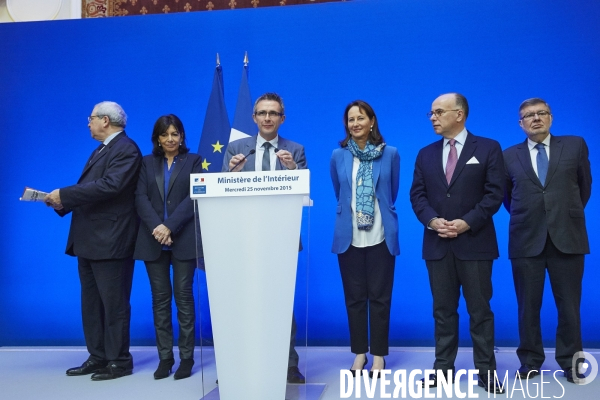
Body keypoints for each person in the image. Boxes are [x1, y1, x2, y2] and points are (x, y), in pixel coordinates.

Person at [409, 93, 505, 393]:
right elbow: (417, 195)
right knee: (442, 311)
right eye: (431, 113)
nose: (433, 117)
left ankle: (487, 372)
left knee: (480, 310)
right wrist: (432, 220)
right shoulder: (425, 153)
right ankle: (443, 370)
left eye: (438, 112)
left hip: (475, 243)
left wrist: (467, 222)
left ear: (459, 114)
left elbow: (494, 193)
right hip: (437, 244)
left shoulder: (488, 148)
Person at [44, 101, 142, 380]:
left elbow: (111, 186)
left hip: (111, 241)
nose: (88, 123)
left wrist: (65, 194)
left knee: (114, 305)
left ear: (105, 121)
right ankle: (98, 356)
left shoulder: (126, 149)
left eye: (91, 118)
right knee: (91, 304)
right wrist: (61, 201)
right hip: (91, 240)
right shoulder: (103, 149)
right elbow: (93, 191)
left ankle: (119, 361)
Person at [503, 98, 592, 383]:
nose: (536, 118)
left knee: (569, 306)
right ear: (521, 124)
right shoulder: (508, 156)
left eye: (541, 113)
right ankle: (530, 361)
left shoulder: (575, 145)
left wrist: (562, 215)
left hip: (567, 237)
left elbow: (584, 188)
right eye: (528, 116)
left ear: (551, 118)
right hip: (526, 238)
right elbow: (507, 197)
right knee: (527, 306)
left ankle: (571, 362)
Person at [222, 92, 307, 384]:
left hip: (281, 239)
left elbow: (304, 192)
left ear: (282, 119)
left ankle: (288, 365)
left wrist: (294, 170)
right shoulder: (236, 149)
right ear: (254, 118)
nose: (268, 118)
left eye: (273, 113)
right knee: (241, 303)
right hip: (243, 240)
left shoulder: (295, 150)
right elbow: (221, 193)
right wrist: (230, 173)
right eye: (262, 113)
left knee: (282, 304)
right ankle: (240, 364)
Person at [330, 100, 400, 379]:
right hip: (349, 238)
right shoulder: (338, 155)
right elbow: (340, 193)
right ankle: (360, 353)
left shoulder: (391, 154)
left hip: (381, 236)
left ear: (372, 121)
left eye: (361, 118)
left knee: (380, 299)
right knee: (354, 299)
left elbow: (390, 194)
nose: (355, 123)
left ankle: (379, 355)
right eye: (350, 119)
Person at [133, 114, 202, 380]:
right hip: (153, 241)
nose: (170, 139)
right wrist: (158, 229)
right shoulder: (146, 163)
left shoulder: (194, 161)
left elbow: (195, 196)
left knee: (183, 300)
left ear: (182, 136)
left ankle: (186, 358)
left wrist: (169, 227)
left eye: (175, 134)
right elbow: (139, 198)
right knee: (160, 301)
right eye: (165, 135)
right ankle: (165, 358)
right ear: (157, 139)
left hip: (183, 240)